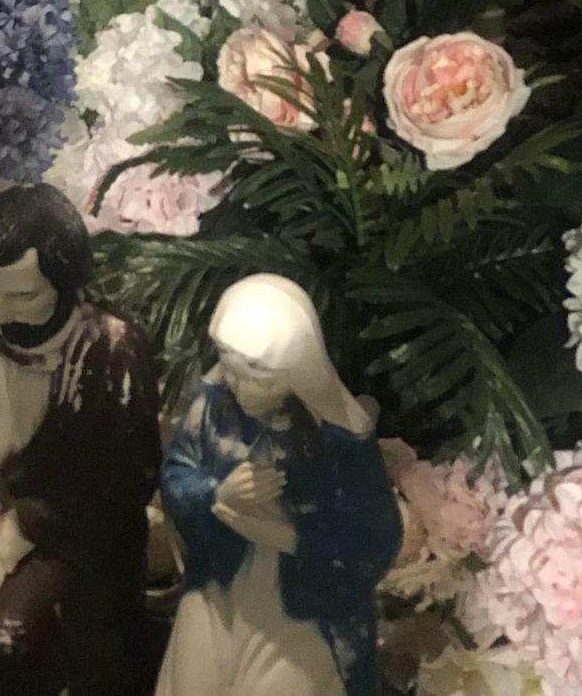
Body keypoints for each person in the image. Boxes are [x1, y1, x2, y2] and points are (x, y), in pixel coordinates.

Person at [0, 183, 162, 696]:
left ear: (64, 280)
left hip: (76, 537)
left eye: (23, 295)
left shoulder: (108, 349)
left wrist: (24, 525)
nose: (3, 309)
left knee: (11, 637)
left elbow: (124, 476)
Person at [157, 274, 402, 696]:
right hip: (221, 588)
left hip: (307, 610)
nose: (241, 389)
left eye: (260, 379)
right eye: (232, 372)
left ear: (298, 370)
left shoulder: (340, 435)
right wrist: (215, 494)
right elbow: (178, 473)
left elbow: (375, 540)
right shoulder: (214, 403)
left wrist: (291, 539)